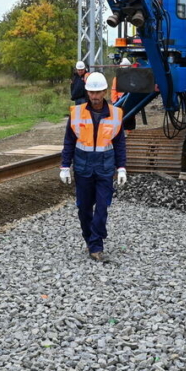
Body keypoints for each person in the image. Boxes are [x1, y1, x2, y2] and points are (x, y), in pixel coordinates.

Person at [59, 72, 127, 262]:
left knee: (103, 207)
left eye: (98, 92)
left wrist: (121, 167)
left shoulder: (116, 114)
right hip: (83, 166)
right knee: (84, 208)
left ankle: (96, 245)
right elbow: (69, 141)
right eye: (91, 92)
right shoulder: (77, 113)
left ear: (104, 92)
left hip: (105, 167)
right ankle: (90, 240)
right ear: (87, 92)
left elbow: (120, 143)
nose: (95, 96)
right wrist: (65, 166)